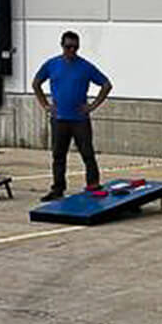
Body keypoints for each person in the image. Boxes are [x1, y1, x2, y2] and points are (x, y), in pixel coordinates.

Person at [31, 30, 112, 200]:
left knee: (87, 153)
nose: (72, 51)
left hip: (79, 119)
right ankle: (58, 188)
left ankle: (93, 184)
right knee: (58, 155)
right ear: (62, 46)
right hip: (59, 118)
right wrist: (45, 105)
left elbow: (106, 84)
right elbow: (36, 83)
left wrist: (92, 106)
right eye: (68, 47)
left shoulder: (85, 67)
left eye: (75, 47)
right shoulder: (52, 65)